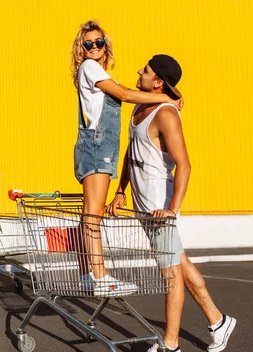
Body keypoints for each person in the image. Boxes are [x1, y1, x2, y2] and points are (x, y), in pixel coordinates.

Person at [106, 54, 236, 352]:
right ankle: (218, 321)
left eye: (146, 70)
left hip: (158, 209)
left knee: (170, 275)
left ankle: (171, 345)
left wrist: (171, 210)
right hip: (144, 207)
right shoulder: (141, 107)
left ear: (158, 81)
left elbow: (185, 166)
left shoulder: (166, 114)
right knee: (181, 265)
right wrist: (120, 190)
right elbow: (131, 152)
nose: (140, 70)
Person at [71, 20, 182, 297]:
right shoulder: (90, 67)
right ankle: (100, 276)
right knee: (93, 215)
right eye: (88, 44)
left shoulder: (98, 72)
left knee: (90, 214)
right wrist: (165, 100)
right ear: (81, 48)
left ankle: (88, 274)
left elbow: (120, 92)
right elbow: (123, 94)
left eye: (99, 42)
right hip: (97, 146)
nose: (94, 47)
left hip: (98, 147)